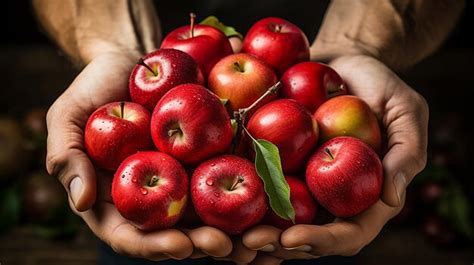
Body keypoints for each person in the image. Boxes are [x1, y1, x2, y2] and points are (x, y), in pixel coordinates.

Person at [33, 0, 463, 264]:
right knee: (146, 247)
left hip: (312, 219)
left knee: (317, 246)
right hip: (146, 213)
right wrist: (114, 50)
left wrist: (360, 47)